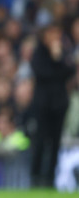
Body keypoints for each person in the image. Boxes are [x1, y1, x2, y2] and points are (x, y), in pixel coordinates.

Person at [30, 24, 76, 187]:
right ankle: (35, 177)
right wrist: (57, 64)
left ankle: (50, 178)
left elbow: (70, 71)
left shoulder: (63, 53)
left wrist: (58, 59)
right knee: (41, 140)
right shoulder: (39, 53)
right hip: (42, 104)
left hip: (59, 104)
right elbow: (42, 73)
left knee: (56, 142)